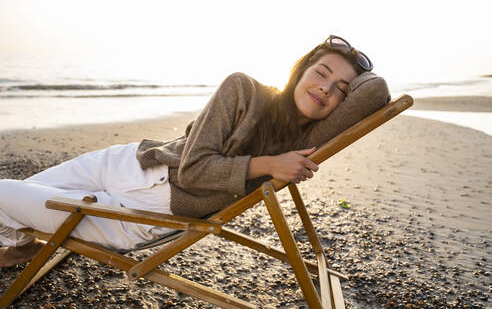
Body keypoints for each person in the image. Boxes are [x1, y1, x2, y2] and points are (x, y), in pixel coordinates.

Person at [0, 35, 390, 267]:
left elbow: (376, 91)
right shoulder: (245, 90)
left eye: (341, 87)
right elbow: (193, 169)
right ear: (300, 72)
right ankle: (21, 249)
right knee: (21, 192)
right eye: (321, 73)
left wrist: (353, 79)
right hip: (131, 162)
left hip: (138, 215)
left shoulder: (307, 139)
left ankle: (22, 240)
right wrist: (269, 164)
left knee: (3, 194)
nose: (326, 88)